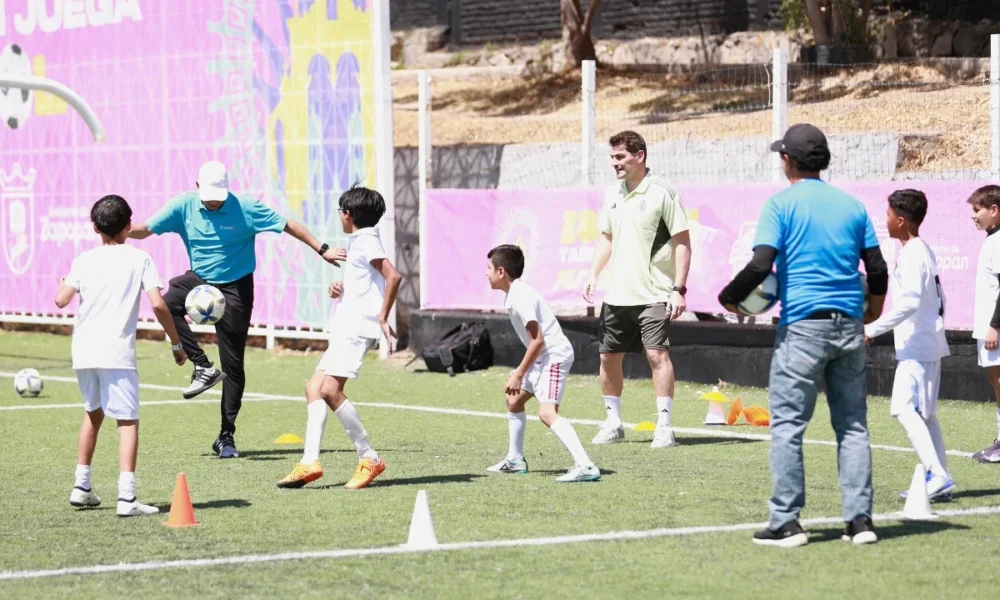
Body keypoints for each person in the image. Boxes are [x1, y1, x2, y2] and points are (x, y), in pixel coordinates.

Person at [718, 123, 889, 547]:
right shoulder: (852, 206)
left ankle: (786, 522)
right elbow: (879, 270)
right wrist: (872, 313)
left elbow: (761, 267)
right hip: (848, 324)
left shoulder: (779, 205)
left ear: (787, 161)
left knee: (790, 427)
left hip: (802, 328)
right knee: (852, 426)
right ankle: (860, 522)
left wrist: (728, 299)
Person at [130, 161, 346, 459]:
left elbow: (289, 225)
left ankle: (226, 435)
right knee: (166, 303)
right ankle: (202, 366)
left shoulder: (246, 208)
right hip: (199, 280)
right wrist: (118, 229)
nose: (214, 201)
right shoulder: (183, 206)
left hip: (236, 288)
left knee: (234, 366)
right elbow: (144, 229)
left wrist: (323, 250)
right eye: (208, 196)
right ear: (197, 188)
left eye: (218, 195)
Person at [56, 195, 188, 517]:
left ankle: (81, 486)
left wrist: (65, 282)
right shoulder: (139, 258)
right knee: (127, 420)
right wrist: (176, 342)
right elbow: (158, 305)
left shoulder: (84, 260)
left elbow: (61, 300)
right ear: (129, 225)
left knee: (93, 412)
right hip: (116, 352)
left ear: (95, 227)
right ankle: (127, 498)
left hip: (83, 351)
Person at [277, 186, 400, 490]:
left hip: (356, 328)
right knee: (313, 388)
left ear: (348, 215)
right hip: (346, 323)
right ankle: (309, 462)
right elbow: (367, 283)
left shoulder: (367, 240)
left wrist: (383, 318)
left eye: (340, 212)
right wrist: (341, 290)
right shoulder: (359, 240)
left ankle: (370, 457)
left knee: (330, 391)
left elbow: (393, 276)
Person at [583, 130, 692, 449]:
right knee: (608, 358)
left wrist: (679, 289)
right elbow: (607, 237)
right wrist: (593, 273)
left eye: (620, 157)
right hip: (617, 295)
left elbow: (683, 242)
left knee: (658, 355)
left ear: (639, 156)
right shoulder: (611, 193)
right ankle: (613, 423)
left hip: (655, 293)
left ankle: (664, 426)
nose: (614, 163)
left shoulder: (663, 192)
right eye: (612, 157)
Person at [864, 189, 954, 501]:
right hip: (926, 341)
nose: (884, 220)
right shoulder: (920, 249)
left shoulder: (914, 252)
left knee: (902, 408)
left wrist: (872, 328)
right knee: (925, 414)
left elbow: (911, 302)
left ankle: (937, 474)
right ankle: (941, 478)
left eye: (887, 215)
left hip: (919, 344)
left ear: (900, 221)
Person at [485, 244, 601, 482]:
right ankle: (515, 461)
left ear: (501, 272)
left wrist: (518, 372)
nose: (485, 273)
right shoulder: (514, 295)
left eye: (488, 268)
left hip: (553, 356)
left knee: (547, 413)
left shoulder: (521, 297)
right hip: (542, 357)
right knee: (514, 399)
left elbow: (538, 341)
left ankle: (586, 465)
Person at [967, 185, 1000, 463]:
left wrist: (995, 326)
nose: (973, 216)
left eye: (977, 210)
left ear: (994, 210)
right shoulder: (992, 239)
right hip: (991, 328)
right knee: (996, 381)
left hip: (996, 329)